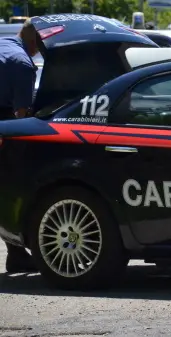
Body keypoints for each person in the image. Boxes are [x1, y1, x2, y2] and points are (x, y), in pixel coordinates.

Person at [0, 19, 40, 273]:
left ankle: (16, 253)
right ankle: (16, 253)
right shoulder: (23, 65)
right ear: (38, 41)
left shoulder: (3, 46)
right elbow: (22, 118)